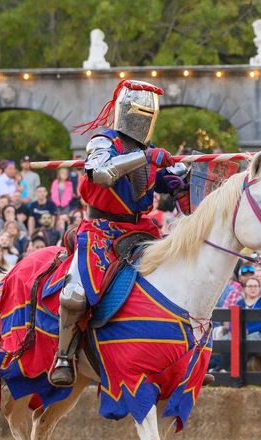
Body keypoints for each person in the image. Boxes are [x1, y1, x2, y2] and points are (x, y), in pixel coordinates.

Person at [50, 80, 188, 385]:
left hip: (140, 229)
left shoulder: (148, 151)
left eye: (149, 115)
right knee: (75, 294)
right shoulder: (103, 142)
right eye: (139, 113)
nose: (143, 121)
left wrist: (175, 179)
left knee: (175, 278)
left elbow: (155, 182)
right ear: (125, 111)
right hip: (101, 228)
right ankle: (64, 356)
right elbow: (101, 174)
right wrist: (146, 158)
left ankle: (180, 356)